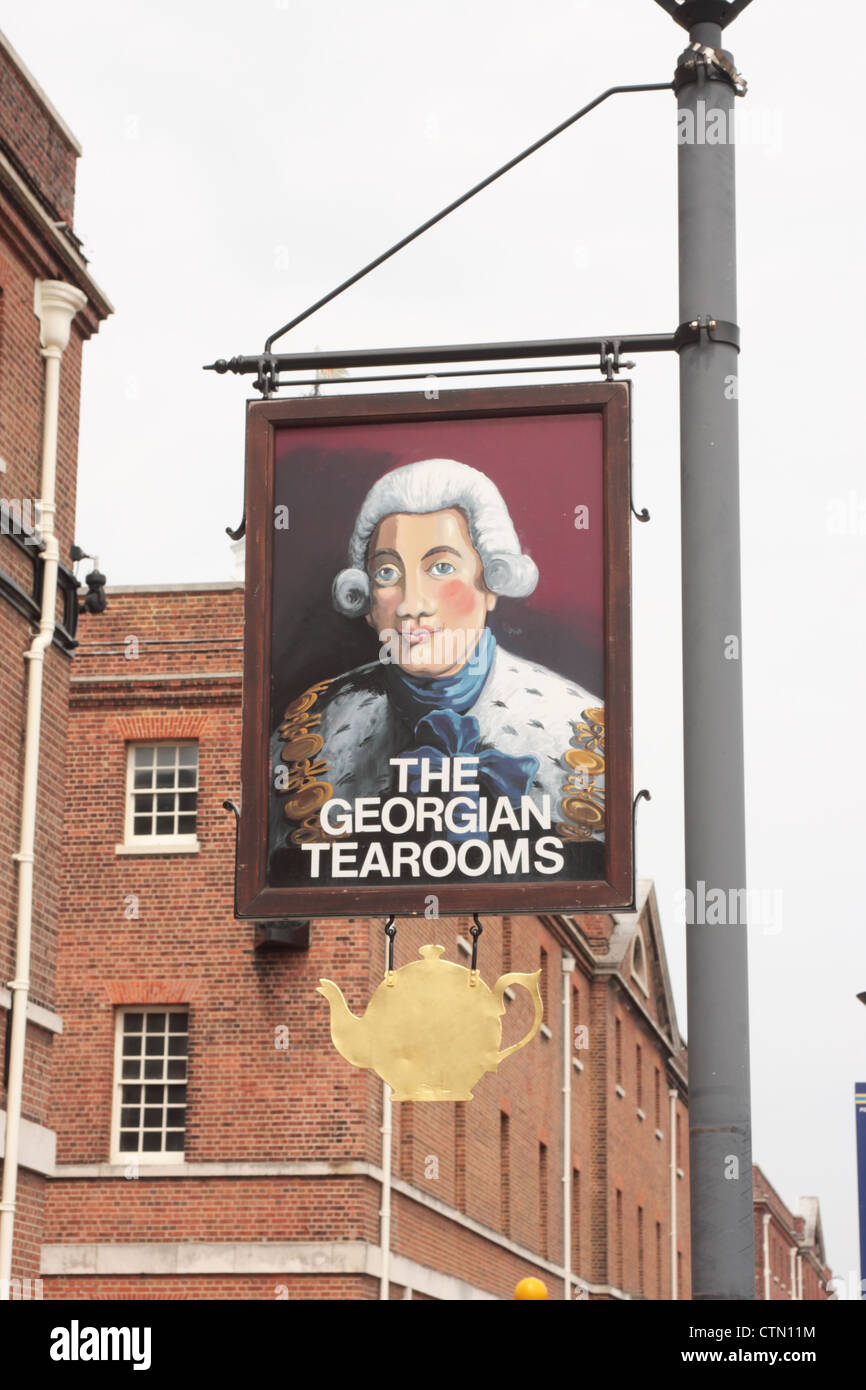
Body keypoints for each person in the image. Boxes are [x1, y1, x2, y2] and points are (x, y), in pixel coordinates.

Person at [269, 457, 604, 881]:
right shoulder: (308, 736)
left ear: (492, 586)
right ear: (367, 601)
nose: (412, 605)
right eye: (388, 573)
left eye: (442, 568)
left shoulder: (581, 736)